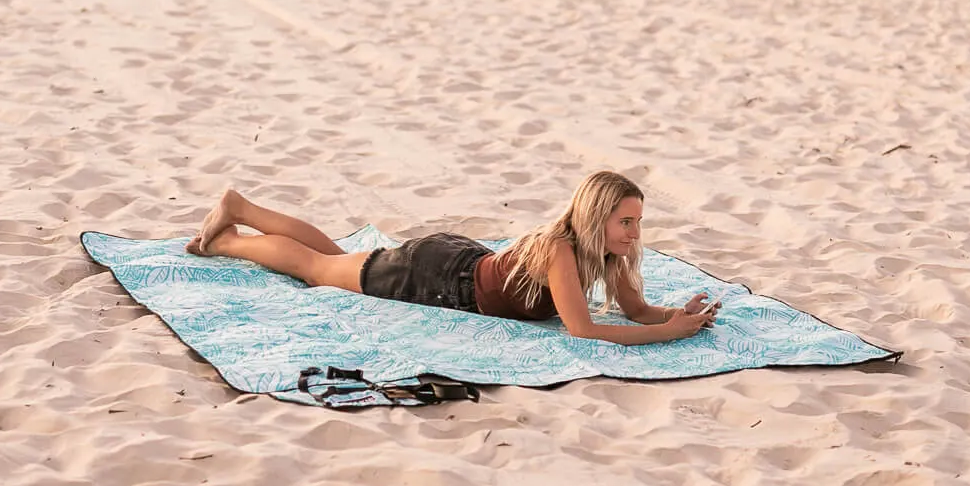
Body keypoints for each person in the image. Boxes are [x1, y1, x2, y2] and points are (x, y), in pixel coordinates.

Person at [186, 170, 719, 344]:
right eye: (625, 221)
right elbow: (582, 332)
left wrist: (679, 316)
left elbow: (634, 313)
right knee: (318, 269)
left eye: (637, 222)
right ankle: (228, 237)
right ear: (595, 217)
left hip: (464, 262)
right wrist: (668, 334)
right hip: (438, 277)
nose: (633, 232)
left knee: (336, 257)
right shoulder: (560, 248)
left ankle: (243, 207)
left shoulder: (610, 253)